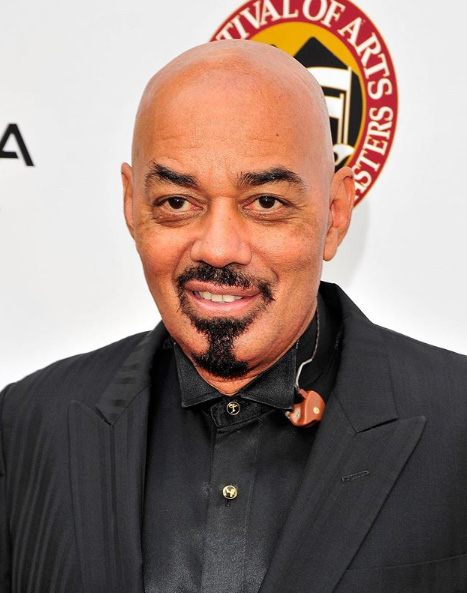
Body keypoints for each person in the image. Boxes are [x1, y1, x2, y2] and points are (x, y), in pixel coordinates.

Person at [1, 40, 466, 593]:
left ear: (335, 215)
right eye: (177, 202)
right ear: (131, 206)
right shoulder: (26, 424)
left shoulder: (457, 421)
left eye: (265, 202)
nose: (219, 249)